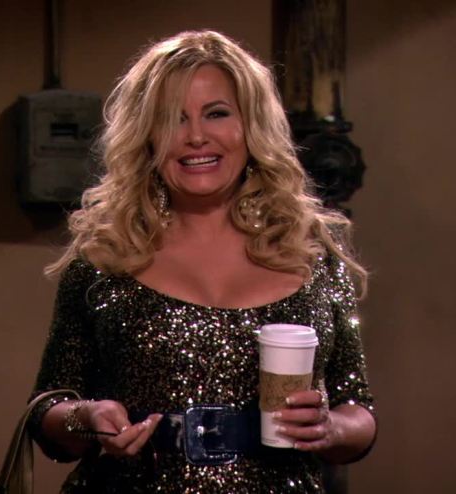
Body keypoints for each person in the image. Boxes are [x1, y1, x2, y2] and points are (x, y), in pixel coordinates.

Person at [29, 30, 376, 493]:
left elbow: (359, 408)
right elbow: (47, 408)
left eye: (216, 113)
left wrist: (332, 428)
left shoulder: (312, 254)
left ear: (250, 126)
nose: (195, 137)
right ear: (147, 137)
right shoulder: (105, 258)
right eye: (173, 119)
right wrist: (84, 417)